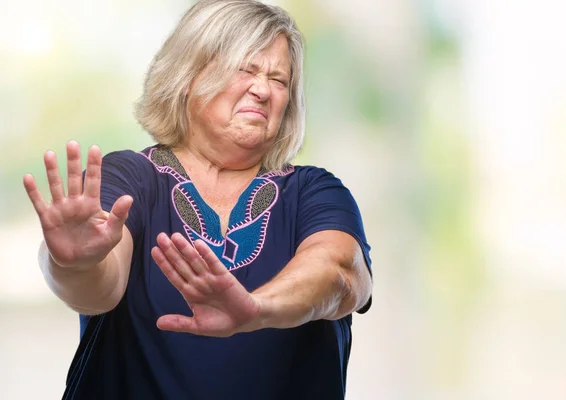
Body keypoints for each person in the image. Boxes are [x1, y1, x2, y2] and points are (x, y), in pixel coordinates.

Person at [23, 1, 373, 399]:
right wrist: (73, 263)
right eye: (246, 69)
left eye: (278, 79)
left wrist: (254, 309)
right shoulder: (129, 178)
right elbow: (97, 288)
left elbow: (340, 275)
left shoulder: (314, 191)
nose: (262, 90)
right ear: (188, 76)